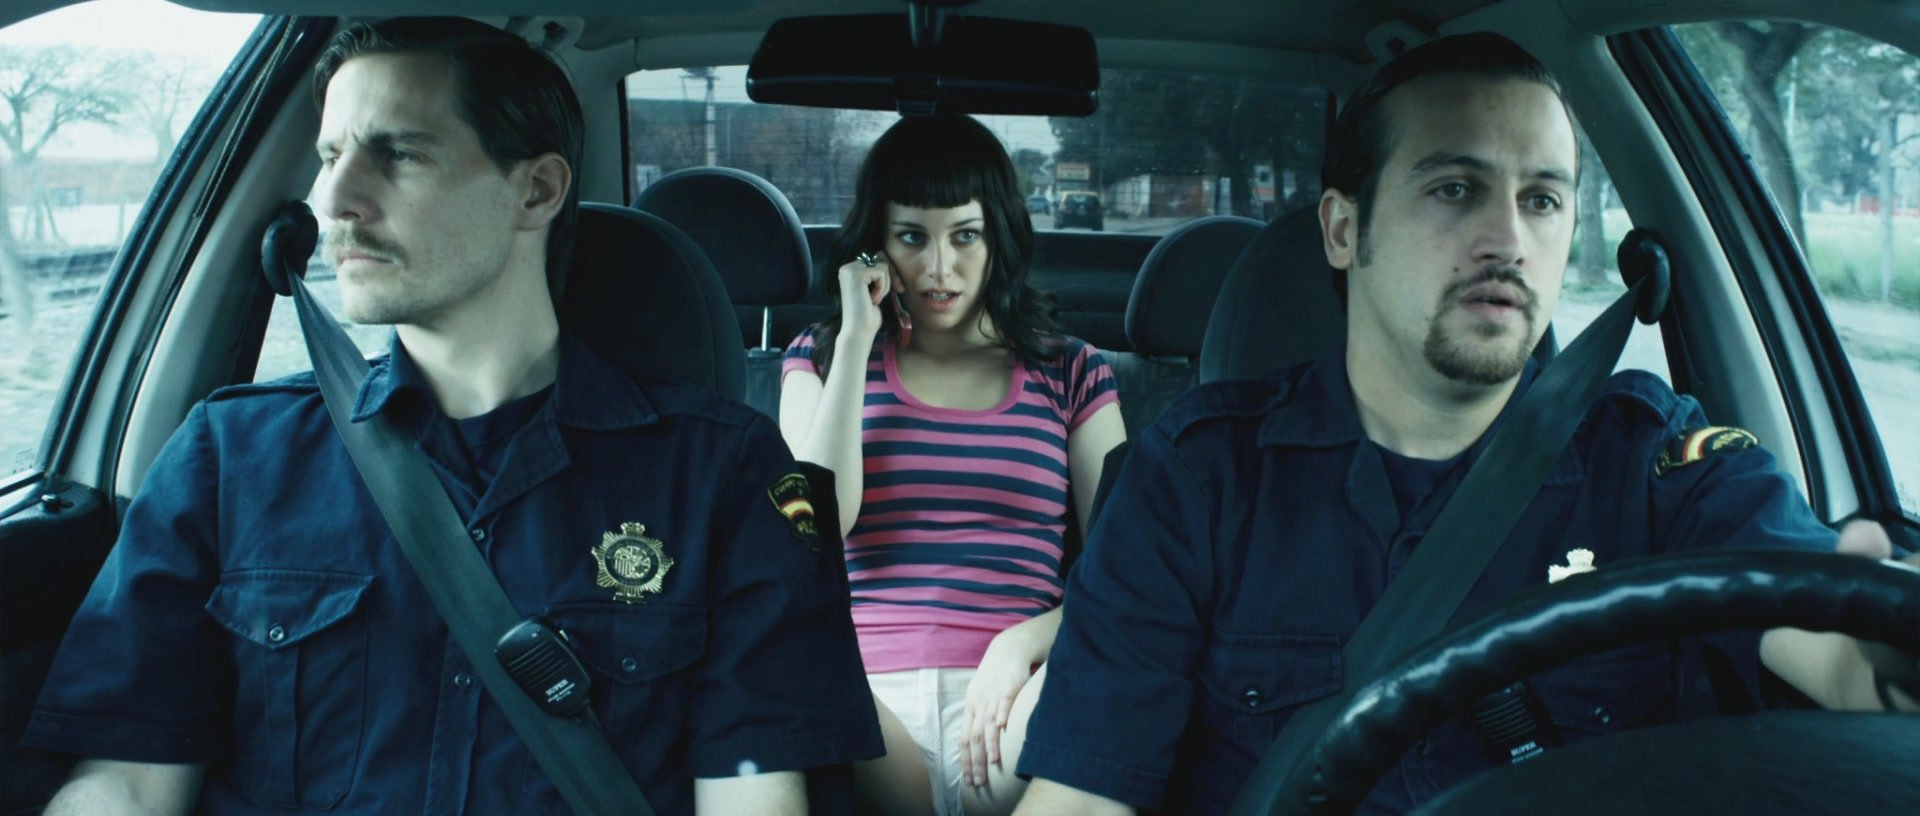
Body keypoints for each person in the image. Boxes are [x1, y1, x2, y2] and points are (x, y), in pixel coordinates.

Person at [1011, 32, 1912, 816]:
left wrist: (1886, 648)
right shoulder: (1197, 477)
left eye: (1542, 199)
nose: (1508, 241)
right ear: (1342, 230)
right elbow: (1082, 795)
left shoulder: (1652, 464)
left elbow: (1829, 639)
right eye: (1454, 188)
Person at [24, 17, 881, 815]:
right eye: (330, 156)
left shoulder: (725, 475)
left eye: (397, 154)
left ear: (536, 190)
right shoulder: (230, 455)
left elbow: (752, 795)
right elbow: (126, 781)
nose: (335, 199)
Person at [777, 114, 1128, 816]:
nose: (940, 268)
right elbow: (812, 528)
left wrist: (1024, 643)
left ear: (998, 236)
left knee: (1119, 686)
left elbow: (1130, 570)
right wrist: (856, 338)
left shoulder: (1072, 370)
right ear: (875, 246)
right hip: (861, 705)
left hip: (1021, 700)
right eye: (912, 237)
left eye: (964, 235)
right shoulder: (816, 358)